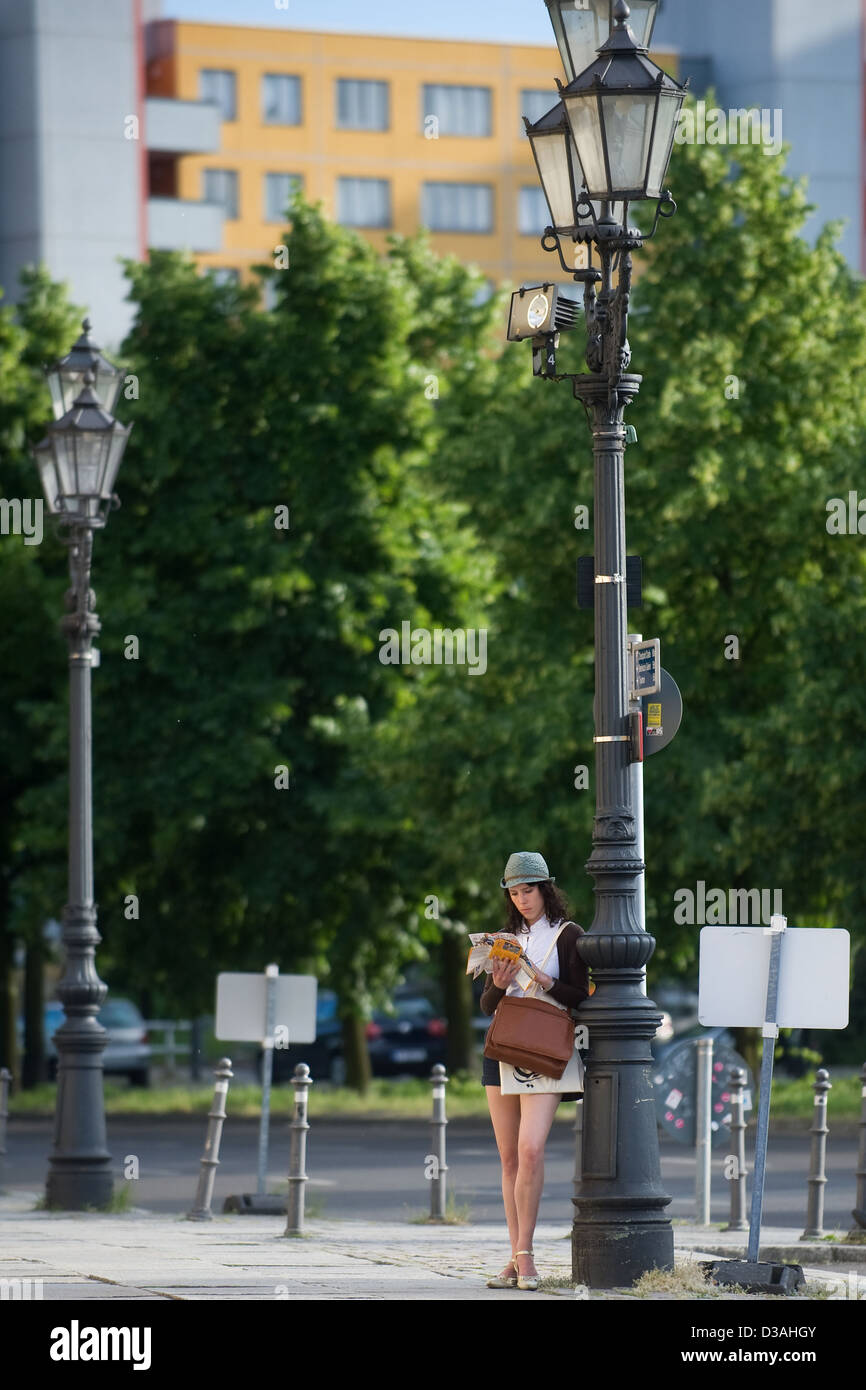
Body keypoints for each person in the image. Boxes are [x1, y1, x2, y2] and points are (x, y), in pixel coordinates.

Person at [480, 851, 589, 1291]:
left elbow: (580, 996)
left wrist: (544, 981)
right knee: (508, 1157)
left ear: (545, 889)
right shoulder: (504, 938)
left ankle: (524, 1255)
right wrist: (500, 983)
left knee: (530, 1150)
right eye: (515, 892)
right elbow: (488, 1006)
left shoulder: (568, 934)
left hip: (545, 1048)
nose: (522, 899)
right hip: (503, 1047)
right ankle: (516, 1255)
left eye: (529, 890)